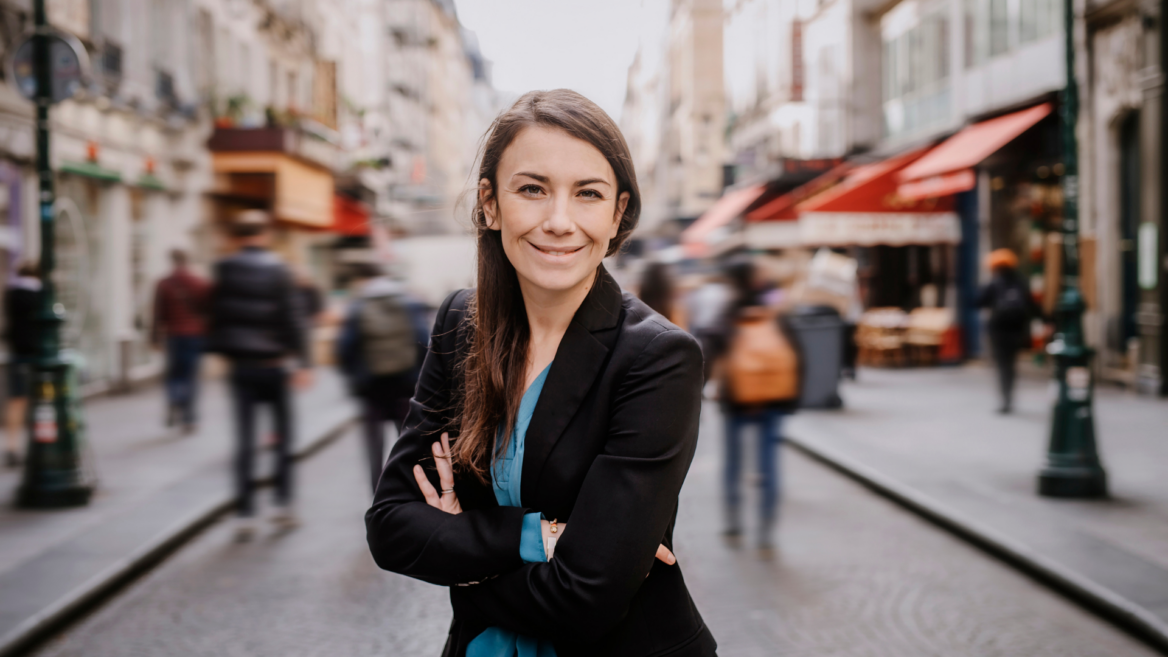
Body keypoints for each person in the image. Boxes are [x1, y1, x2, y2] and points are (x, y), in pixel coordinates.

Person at [365, 90, 716, 657]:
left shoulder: (656, 357)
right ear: (490, 203)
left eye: (588, 194)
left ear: (617, 212)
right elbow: (390, 526)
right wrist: (538, 536)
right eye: (532, 189)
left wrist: (461, 556)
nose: (559, 221)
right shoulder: (462, 322)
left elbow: (586, 599)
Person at [207, 210, 313, 541]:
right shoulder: (279, 269)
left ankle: (245, 512)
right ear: (264, 235)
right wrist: (304, 362)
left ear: (237, 237)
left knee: (245, 440)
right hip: (275, 364)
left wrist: (224, 351)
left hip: (242, 366)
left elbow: (216, 316)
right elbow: (293, 318)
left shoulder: (224, 269)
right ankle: (282, 505)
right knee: (282, 437)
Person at [708, 255, 801, 553]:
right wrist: (791, 398)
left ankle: (734, 520)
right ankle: (766, 528)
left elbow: (708, 351)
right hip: (773, 398)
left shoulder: (728, 314)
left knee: (734, 463)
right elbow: (796, 352)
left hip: (737, 399)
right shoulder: (774, 311)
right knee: (769, 465)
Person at [336, 262, 430, 492]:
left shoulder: (357, 306)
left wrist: (355, 377)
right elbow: (423, 341)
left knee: (374, 444)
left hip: (372, 388)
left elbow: (344, 348)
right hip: (406, 384)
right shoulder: (407, 302)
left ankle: (378, 494)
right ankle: (412, 489)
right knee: (408, 439)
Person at [151, 249, 210, 433]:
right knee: (191, 376)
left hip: (173, 335)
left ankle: (175, 401)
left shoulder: (164, 284)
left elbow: (158, 313)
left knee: (174, 375)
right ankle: (189, 418)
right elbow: (207, 311)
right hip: (195, 335)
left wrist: (154, 337)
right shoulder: (199, 282)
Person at [978, 248, 1041, 414]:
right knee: (1010, 365)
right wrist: (1046, 319)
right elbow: (1031, 305)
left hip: (998, 330)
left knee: (1002, 365)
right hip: (1016, 330)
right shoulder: (1020, 281)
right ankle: (1009, 397)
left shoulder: (994, 283)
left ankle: (1005, 399)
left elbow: (979, 302)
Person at [3, 262, 40, 467]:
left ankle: (12, 446)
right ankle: (37, 443)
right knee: (40, 401)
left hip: (17, 352)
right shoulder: (40, 295)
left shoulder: (12, 294)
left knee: (16, 401)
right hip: (36, 355)